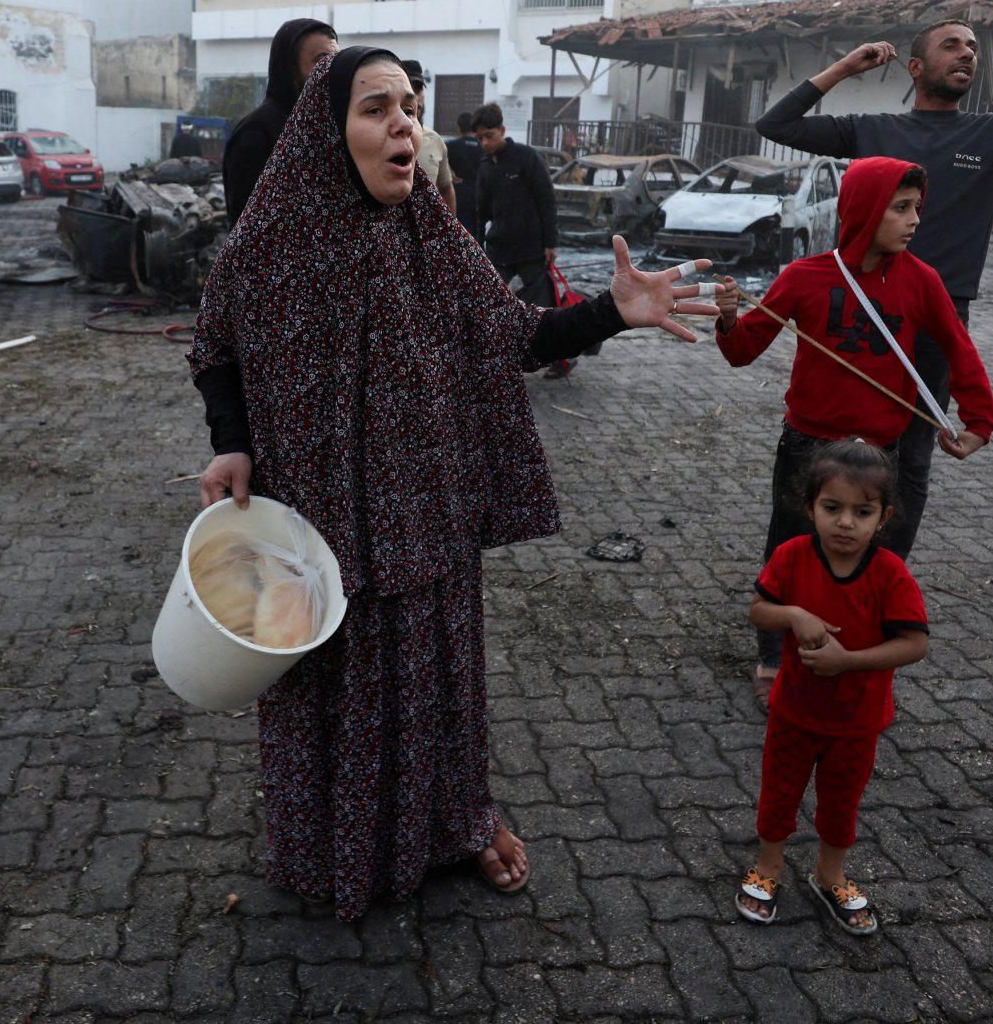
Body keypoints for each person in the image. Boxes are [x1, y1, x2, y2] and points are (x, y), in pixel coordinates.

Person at [189, 45, 725, 920]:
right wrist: (233, 441)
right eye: (376, 108)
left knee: (433, 683)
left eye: (410, 105)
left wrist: (611, 313)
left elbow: (512, 334)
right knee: (330, 683)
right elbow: (218, 346)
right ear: (326, 133)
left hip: (420, 511)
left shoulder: (430, 236)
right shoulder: (267, 242)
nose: (404, 124)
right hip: (312, 523)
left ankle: (461, 822)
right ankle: (335, 839)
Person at [755, 23, 993, 556]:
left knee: (909, 457)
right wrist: (845, 67)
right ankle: (798, 569)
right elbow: (776, 123)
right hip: (858, 306)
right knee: (825, 442)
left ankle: (881, 577)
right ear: (915, 67)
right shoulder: (871, 128)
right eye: (951, 45)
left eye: (973, 47)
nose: (967, 53)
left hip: (936, 318)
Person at [712, 157, 993, 705]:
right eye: (900, 208)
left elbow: (961, 352)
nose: (915, 220)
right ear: (865, 211)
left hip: (877, 454)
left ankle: (847, 646)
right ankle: (774, 652)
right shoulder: (804, 277)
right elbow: (744, 350)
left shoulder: (922, 280)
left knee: (857, 552)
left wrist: (980, 421)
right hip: (807, 445)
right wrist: (728, 320)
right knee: (789, 546)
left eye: (918, 208)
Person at [736, 440, 929, 937]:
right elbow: (759, 610)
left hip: (857, 721)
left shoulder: (891, 574)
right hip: (793, 711)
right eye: (832, 508)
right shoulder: (792, 556)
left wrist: (848, 662)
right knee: (778, 793)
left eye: (862, 511)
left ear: (882, 518)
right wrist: (794, 615)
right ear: (810, 508)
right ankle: (769, 866)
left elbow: (913, 644)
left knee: (841, 803)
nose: (846, 522)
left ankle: (830, 874)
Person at [474, 103, 572, 374]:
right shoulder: (484, 166)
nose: (484, 143)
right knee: (486, 303)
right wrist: (478, 248)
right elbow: (482, 212)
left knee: (542, 309)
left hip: (531, 248)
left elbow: (546, 200)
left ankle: (560, 358)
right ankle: (492, 359)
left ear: (503, 130)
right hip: (498, 250)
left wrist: (550, 243)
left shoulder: (525, 157)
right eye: (479, 138)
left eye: (489, 136)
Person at [222, 18, 337, 225]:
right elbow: (247, 227)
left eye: (335, 62)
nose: (332, 71)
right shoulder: (257, 133)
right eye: (322, 61)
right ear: (290, 69)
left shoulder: (328, 129)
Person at [399, 60, 456, 213]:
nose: (414, 97)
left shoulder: (435, 141)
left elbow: (446, 189)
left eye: (417, 90)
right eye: (408, 89)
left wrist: (450, 233)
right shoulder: (382, 138)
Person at [448, 111, 484, 240]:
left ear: (458, 127)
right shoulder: (483, 147)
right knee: (478, 233)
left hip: (458, 194)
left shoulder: (450, 146)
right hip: (479, 194)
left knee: (459, 232)